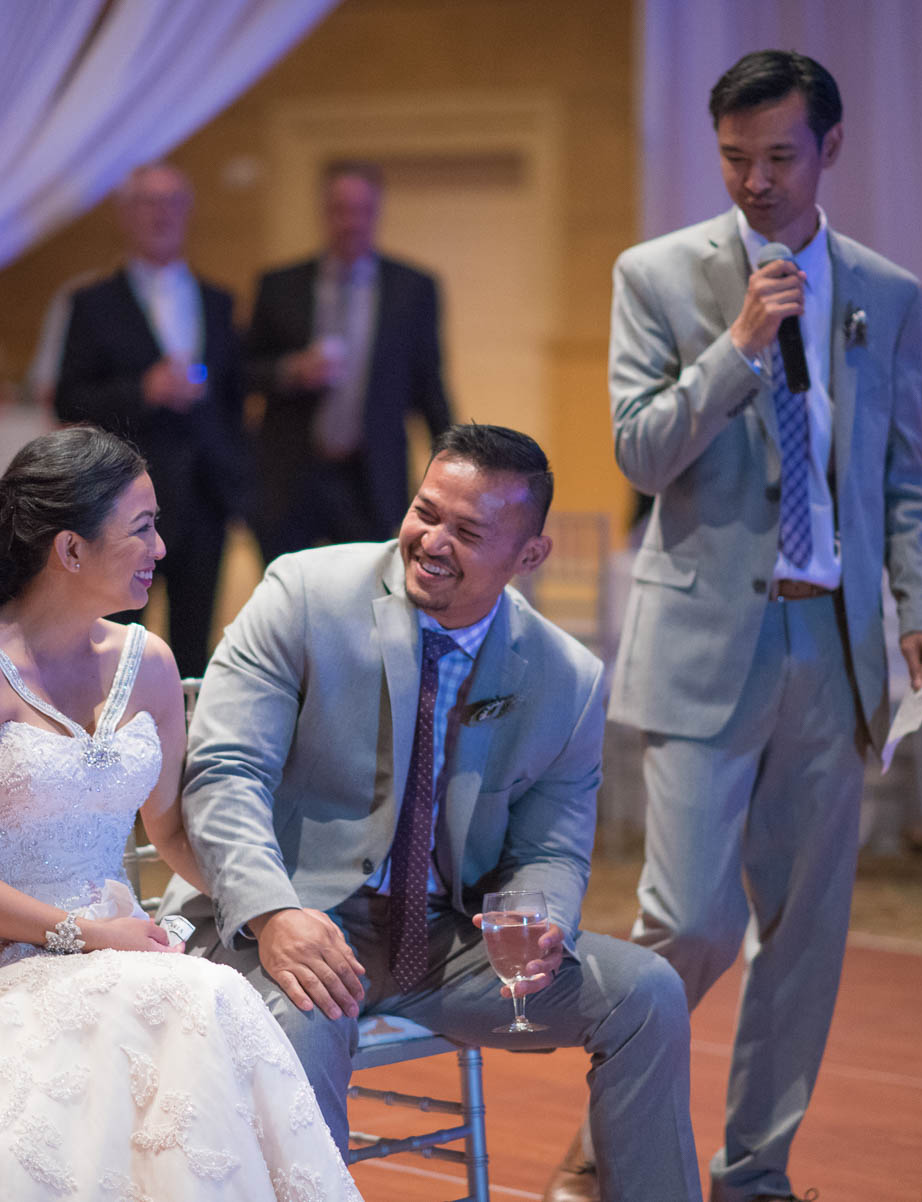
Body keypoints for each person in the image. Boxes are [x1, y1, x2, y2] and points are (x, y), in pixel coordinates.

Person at [162, 425, 702, 1202]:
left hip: (445, 940)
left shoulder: (568, 679)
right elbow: (223, 773)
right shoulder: (305, 594)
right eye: (426, 512)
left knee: (647, 994)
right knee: (309, 1016)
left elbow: (553, 849)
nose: (433, 541)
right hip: (283, 919)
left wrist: (543, 918)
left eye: (469, 532)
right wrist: (276, 912)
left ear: (529, 557)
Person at [605, 49, 922, 1202]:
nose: (756, 181)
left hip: (835, 644)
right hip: (706, 645)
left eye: (780, 156)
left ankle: (754, 1172)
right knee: (688, 921)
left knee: (803, 939)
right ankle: (615, 1123)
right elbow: (641, 452)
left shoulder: (886, 293)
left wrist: (921, 609)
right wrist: (739, 344)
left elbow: (902, 474)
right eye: (736, 158)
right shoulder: (656, 276)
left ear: (829, 149)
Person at [0, 427, 360, 1202]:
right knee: (197, 999)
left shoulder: (150, 663)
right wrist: (87, 935)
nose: (163, 547)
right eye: (141, 527)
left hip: (112, 946)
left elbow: (170, 830)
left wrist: (277, 914)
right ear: (69, 550)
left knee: (202, 1010)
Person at [55, 162, 251, 676]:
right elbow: (68, 400)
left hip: (205, 496)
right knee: (116, 633)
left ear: (188, 212)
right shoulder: (92, 304)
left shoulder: (218, 300)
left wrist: (235, 477)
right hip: (119, 501)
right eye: (148, 202)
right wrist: (143, 389)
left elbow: (236, 399)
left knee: (195, 641)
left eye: (173, 202)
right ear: (126, 215)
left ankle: (185, 746)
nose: (161, 214)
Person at [244, 160, 454, 561]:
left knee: (365, 601)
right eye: (341, 210)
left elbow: (430, 385)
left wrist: (449, 470)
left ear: (377, 212)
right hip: (290, 477)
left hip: (370, 479)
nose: (351, 222)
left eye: (362, 211)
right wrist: (290, 371)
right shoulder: (280, 285)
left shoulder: (412, 289)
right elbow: (241, 373)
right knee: (288, 606)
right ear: (324, 212)